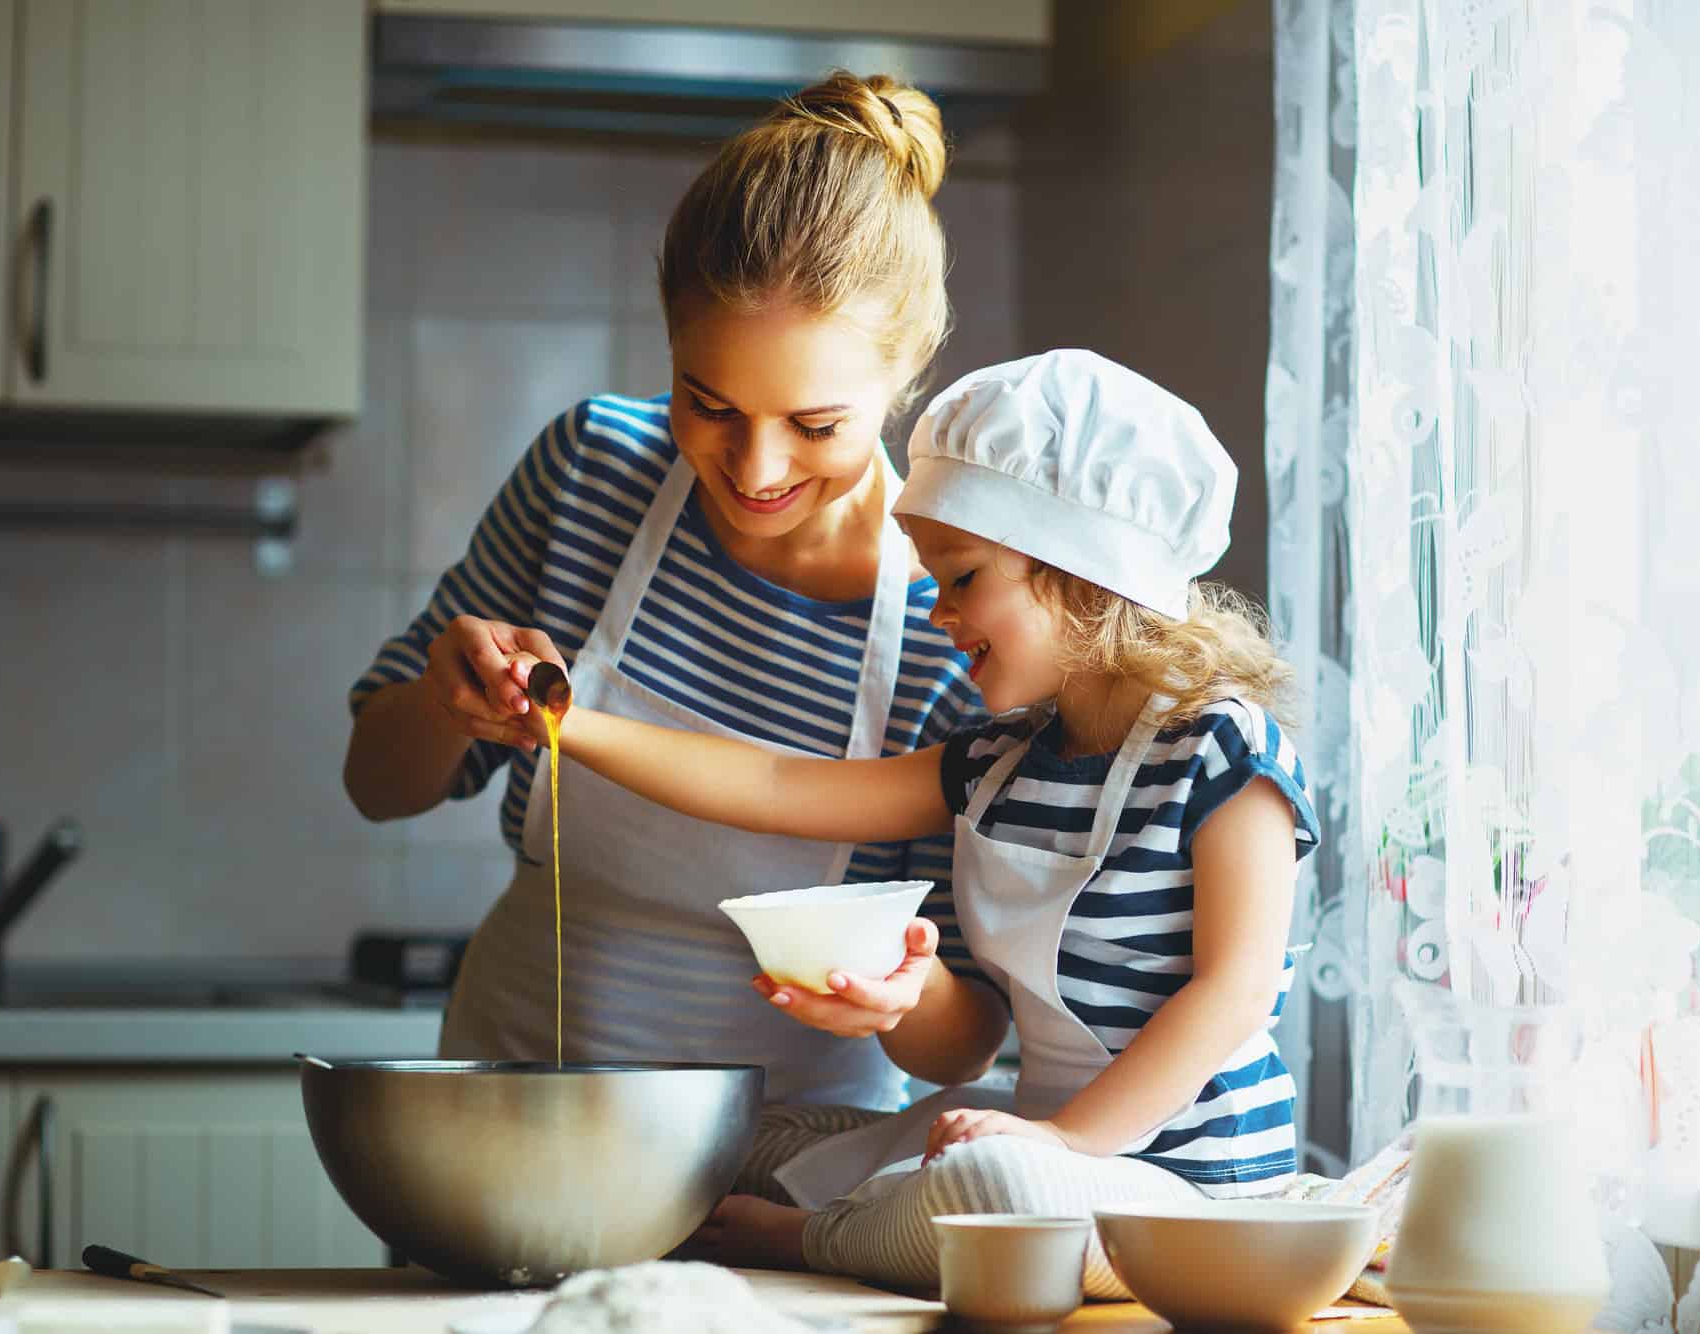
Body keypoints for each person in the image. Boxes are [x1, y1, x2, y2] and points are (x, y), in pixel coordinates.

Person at [535, 349, 1322, 1297]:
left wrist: (1066, 1141)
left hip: (1188, 1195)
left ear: (1078, 569)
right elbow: (781, 785)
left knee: (1000, 1183)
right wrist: (565, 723)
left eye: (962, 579)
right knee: (753, 1131)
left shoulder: (1224, 753)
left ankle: (809, 1239)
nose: (940, 613)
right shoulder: (998, 763)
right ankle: (866, 1211)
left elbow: (1233, 994)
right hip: (1040, 1146)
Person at [342, 72, 1002, 1180]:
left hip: (785, 1173)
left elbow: (965, 1033)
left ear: (904, 374)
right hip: (507, 1129)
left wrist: (900, 993)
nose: (755, 468)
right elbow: (378, 781)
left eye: (815, 423)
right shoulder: (588, 472)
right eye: (709, 403)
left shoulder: (953, 611)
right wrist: (443, 702)